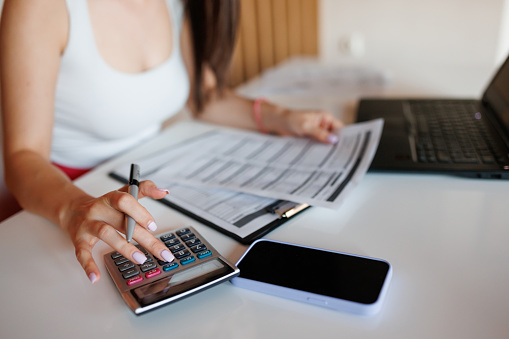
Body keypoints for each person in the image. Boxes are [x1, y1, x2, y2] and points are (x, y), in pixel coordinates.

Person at [0, 0, 343, 284]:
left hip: (144, 184)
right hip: (60, 197)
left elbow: (203, 95)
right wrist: (75, 209)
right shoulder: (40, 7)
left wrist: (279, 117)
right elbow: (22, 156)